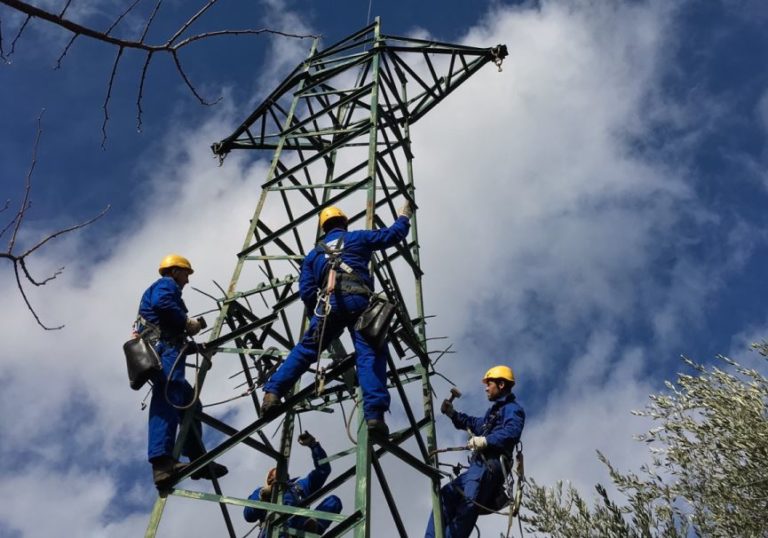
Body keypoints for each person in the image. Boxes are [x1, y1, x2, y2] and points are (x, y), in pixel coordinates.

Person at [261, 204, 412, 436]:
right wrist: (404, 217)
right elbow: (393, 235)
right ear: (344, 222)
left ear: (324, 228)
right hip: (359, 301)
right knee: (370, 353)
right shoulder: (357, 238)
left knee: (305, 350)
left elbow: (307, 291)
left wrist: (319, 315)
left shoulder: (313, 255)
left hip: (328, 304)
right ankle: (374, 417)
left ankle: (272, 394)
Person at [138, 254, 228, 485]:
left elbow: (175, 338)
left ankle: (197, 459)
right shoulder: (166, 284)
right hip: (163, 351)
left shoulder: (167, 288)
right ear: (175, 271)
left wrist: (198, 348)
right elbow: (163, 305)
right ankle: (161, 462)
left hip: (169, 348)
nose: (187, 280)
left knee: (190, 401)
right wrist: (187, 322)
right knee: (169, 396)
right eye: (186, 274)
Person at [426, 365, 525, 538]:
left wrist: (486, 440)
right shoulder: (494, 413)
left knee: (468, 504)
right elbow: (474, 424)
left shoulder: (513, 410)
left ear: (501, 385)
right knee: (445, 497)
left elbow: (512, 432)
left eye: (489, 384)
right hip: (477, 467)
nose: (486, 388)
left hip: (490, 465)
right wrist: (453, 414)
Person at [243, 431, 343, 536]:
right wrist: (263, 497)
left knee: (333, 501)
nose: (274, 478)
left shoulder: (298, 488)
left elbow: (323, 470)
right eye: (271, 477)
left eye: (278, 474)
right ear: (268, 480)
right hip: (273, 532)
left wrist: (313, 445)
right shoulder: (260, 492)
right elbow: (248, 516)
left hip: (299, 528)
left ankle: (312, 529)